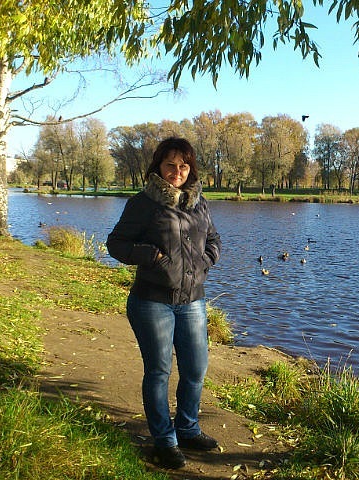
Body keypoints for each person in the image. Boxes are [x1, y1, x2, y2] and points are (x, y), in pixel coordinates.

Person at [107, 137, 222, 469]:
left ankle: (187, 429)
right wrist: (151, 256)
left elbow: (214, 240)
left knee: (195, 369)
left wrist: (204, 261)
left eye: (183, 166)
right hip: (152, 301)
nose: (177, 171)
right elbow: (116, 243)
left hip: (193, 301)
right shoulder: (143, 203)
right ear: (158, 166)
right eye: (170, 164)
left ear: (191, 169)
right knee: (159, 371)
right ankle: (164, 441)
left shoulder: (199, 203)